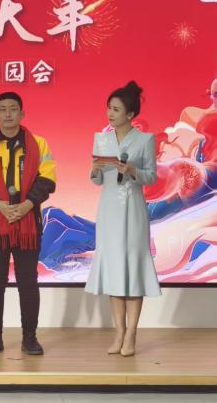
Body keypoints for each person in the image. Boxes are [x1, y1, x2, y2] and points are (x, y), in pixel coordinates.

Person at [0, 91, 56, 355]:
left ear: (22, 113)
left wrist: (27, 205)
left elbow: (47, 180)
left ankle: (30, 338)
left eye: (13, 109)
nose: (8, 114)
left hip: (28, 223)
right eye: (2, 109)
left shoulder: (39, 144)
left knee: (28, 282)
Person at [86, 81, 161, 357]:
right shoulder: (101, 139)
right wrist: (94, 169)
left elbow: (151, 177)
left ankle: (131, 334)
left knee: (132, 267)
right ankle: (118, 332)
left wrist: (132, 171)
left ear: (130, 114)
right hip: (108, 210)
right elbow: (97, 181)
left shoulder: (145, 140)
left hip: (133, 209)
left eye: (116, 109)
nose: (110, 113)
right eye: (109, 108)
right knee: (114, 268)